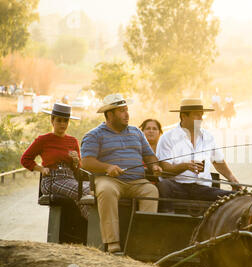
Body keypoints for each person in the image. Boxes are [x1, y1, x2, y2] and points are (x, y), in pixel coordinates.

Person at [81, 93, 162, 254]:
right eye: (122, 111)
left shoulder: (136, 133)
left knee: (151, 190)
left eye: (127, 110)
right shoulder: (94, 135)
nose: (127, 114)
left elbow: (149, 155)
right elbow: (87, 162)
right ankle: (113, 243)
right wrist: (107, 167)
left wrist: (154, 167)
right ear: (110, 115)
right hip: (110, 180)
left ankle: (142, 242)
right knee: (106, 190)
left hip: (137, 182)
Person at [156, 98, 240, 212]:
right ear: (183, 116)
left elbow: (218, 161)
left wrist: (232, 178)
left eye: (202, 115)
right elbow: (165, 170)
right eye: (196, 115)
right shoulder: (167, 138)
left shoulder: (208, 137)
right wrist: (185, 166)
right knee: (164, 185)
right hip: (178, 188)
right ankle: (167, 217)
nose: (201, 119)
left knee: (236, 196)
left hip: (203, 189)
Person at [21, 103, 91, 219]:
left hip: (70, 178)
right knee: (82, 191)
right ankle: (93, 223)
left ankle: (86, 226)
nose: (63, 124)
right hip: (52, 179)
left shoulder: (72, 141)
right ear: (52, 120)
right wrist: (41, 169)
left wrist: (75, 161)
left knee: (94, 188)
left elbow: (78, 167)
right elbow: (25, 159)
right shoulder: (43, 140)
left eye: (66, 121)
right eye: (59, 120)